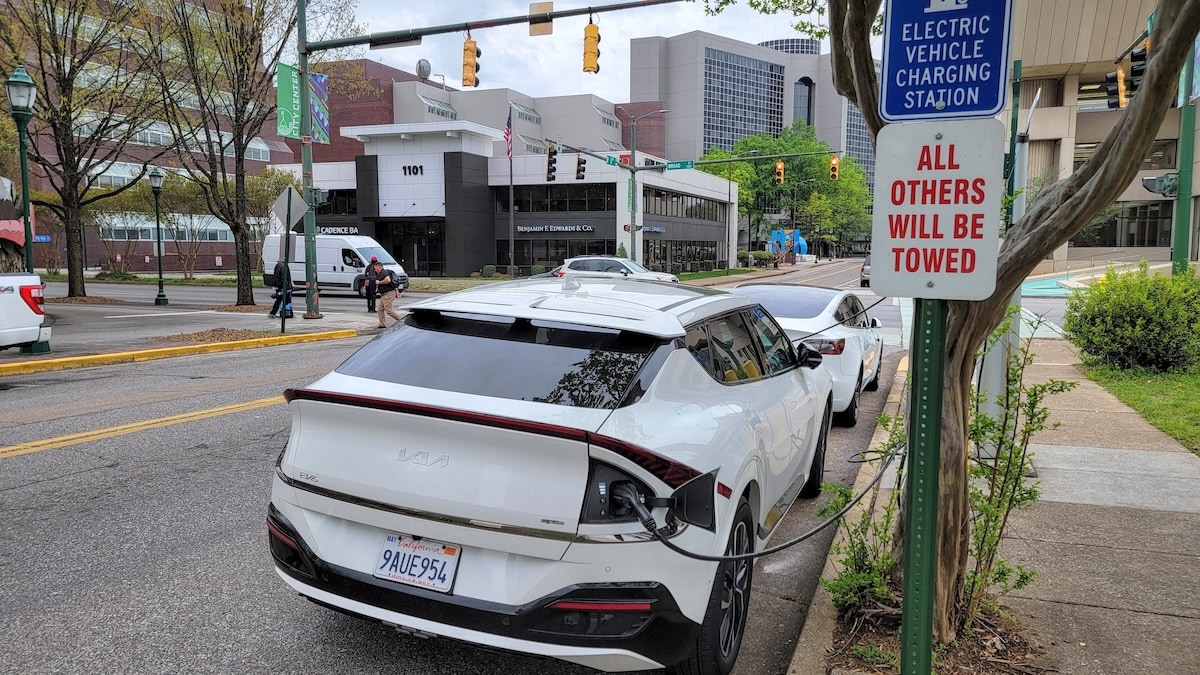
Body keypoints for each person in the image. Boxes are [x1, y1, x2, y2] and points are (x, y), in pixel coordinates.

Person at [373, 259, 403, 329]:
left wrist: (379, 282)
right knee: (380, 309)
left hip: (388, 294)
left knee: (389, 310)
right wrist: (397, 291)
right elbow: (392, 284)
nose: (375, 270)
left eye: (375, 268)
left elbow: (388, 280)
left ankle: (401, 320)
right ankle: (382, 323)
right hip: (384, 294)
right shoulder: (383, 273)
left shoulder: (383, 272)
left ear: (378, 266)